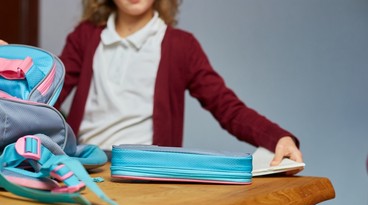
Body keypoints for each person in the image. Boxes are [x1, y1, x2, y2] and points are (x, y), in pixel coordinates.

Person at [1, 0, 303, 166]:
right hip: (89, 163)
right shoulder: (85, 37)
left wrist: (277, 137)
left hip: (148, 167)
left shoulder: (182, 47)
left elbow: (226, 106)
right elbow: (42, 95)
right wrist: (9, 65)